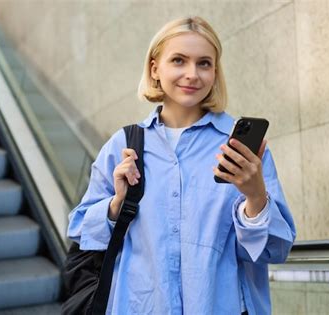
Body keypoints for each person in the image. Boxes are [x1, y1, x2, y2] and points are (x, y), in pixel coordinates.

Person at [67, 16, 296, 315]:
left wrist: (255, 198)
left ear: (215, 72)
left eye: (204, 63)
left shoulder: (241, 149)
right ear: (155, 68)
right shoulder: (123, 145)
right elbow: (81, 230)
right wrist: (116, 204)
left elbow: (275, 250)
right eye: (178, 60)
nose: (192, 74)